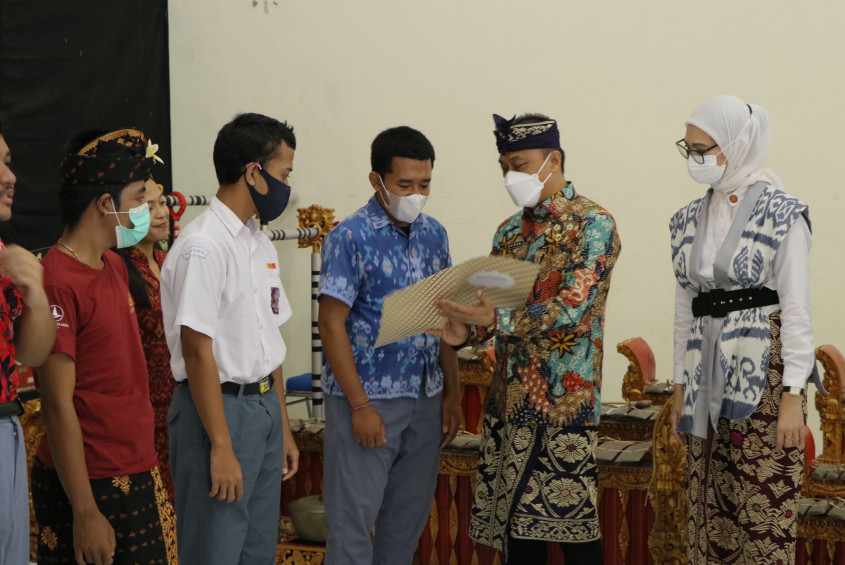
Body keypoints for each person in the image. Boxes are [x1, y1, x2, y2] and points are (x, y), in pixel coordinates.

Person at [431, 113, 621, 565]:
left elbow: (573, 308)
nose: (510, 177)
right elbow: (492, 310)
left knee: (575, 536)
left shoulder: (593, 224)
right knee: (518, 538)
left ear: (553, 160)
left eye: (519, 165)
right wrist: (463, 331)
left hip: (564, 406)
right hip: (508, 404)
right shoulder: (509, 232)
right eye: (504, 167)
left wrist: (494, 319)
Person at [669, 95, 816, 564]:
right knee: (708, 509)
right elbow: (685, 308)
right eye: (689, 149)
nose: (695, 159)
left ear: (736, 145)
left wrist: (793, 395)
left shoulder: (781, 213)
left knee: (762, 508)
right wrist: (679, 387)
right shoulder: (688, 219)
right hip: (702, 374)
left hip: (765, 376)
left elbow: (796, 309)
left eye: (703, 149)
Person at [160, 112, 300, 565]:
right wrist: (220, 445)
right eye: (284, 174)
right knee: (214, 549)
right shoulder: (204, 246)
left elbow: (269, 342)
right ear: (253, 173)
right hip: (218, 413)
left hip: (262, 408)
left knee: (256, 552)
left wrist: (282, 426)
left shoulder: (259, 243)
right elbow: (197, 351)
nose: (287, 187)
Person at [317, 125, 461, 565]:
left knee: (404, 527)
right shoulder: (350, 237)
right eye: (404, 185)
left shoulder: (434, 234)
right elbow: (331, 323)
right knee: (353, 529)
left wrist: (452, 394)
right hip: (368, 401)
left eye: (424, 184)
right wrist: (360, 406)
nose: (416, 195)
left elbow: (443, 318)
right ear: (376, 181)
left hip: (425, 398)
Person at [33, 128, 174, 565]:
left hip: (139, 462)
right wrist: (85, 511)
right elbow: (57, 404)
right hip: (92, 479)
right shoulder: (58, 281)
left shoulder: (113, 263)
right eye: (138, 199)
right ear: (104, 204)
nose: (146, 211)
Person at [0, 113, 57, 565]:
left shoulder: (6, 254)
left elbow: (31, 352)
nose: (11, 177)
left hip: (7, 425)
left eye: (9, 162)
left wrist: (36, 296)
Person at [117, 180, 176, 503]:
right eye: (148, 207)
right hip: (142, 408)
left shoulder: (171, 260)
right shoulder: (117, 269)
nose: (161, 213)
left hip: (181, 403)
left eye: (162, 203)